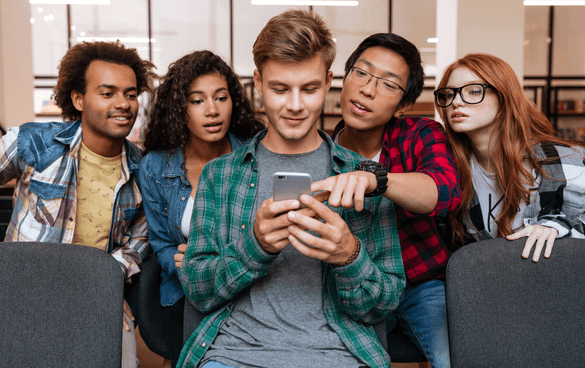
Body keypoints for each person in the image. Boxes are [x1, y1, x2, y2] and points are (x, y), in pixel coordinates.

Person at [177, 9, 405, 368]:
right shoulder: (219, 176)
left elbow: (384, 303)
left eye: (310, 88)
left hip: (340, 356)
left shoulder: (361, 178)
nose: (295, 105)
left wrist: (349, 254)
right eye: (280, 89)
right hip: (234, 355)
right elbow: (198, 291)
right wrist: (255, 247)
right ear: (258, 82)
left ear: (329, 81)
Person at [0, 41, 156, 368]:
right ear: (78, 99)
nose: (124, 104)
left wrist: (106, 277)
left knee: (124, 360)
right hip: (24, 294)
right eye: (108, 93)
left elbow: (139, 242)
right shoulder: (33, 143)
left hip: (94, 296)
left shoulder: (145, 171)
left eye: (130, 94)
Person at [331, 33, 461, 368]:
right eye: (361, 73)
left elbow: (444, 191)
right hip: (355, 289)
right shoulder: (320, 151)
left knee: (452, 357)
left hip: (421, 284)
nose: (368, 90)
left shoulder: (421, 134)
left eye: (389, 84)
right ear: (343, 79)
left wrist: (377, 179)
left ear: (403, 105)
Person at [139, 50, 264, 368]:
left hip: (249, 287)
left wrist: (222, 265)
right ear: (180, 110)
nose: (212, 111)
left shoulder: (255, 156)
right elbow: (162, 245)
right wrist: (185, 267)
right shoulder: (156, 166)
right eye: (197, 101)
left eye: (221, 98)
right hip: (185, 289)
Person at [435, 53, 585, 261]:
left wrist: (556, 228)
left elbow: (579, 222)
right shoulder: (453, 167)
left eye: (474, 91)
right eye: (448, 94)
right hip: (491, 284)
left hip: (553, 284)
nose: (456, 102)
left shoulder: (558, 157)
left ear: (504, 97)